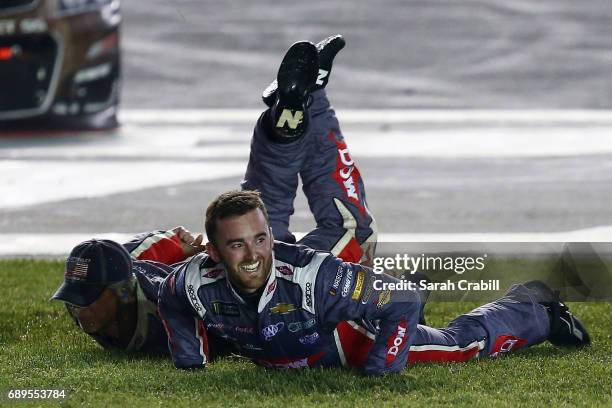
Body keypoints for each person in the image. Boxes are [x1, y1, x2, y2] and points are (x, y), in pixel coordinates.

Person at [157, 39, 591, 375]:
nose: (251, 252)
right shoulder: (190, 281)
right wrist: (190, 361)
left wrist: (379, 372)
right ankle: (300, 111)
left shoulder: (314, 275)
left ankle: (536, 307)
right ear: (212, 253)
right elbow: (171, 294)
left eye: (258, 241)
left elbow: (397, 303)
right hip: (308, 287)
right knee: (266, 213)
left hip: (346, 329)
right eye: (235, 246)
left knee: (453, 340)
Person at [51, 227, 234, 358]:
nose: (78, 310)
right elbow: (121, 255)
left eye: (88, 298)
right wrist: (175, 244)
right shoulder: (84, 305)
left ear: (122, 292)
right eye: (72, 298)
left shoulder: (169, 313)